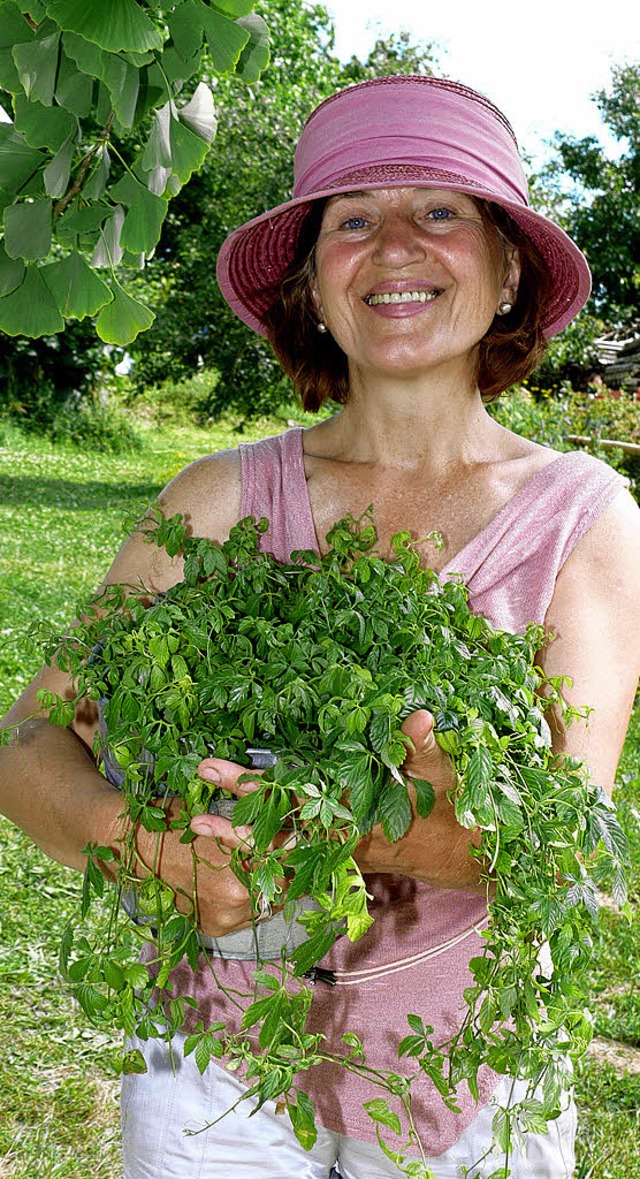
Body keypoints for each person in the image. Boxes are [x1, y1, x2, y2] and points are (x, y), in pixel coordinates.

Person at [2, 75, 640, 1179]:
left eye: (440, 210)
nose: (394, 244)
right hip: (218, 1059)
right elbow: (30, 745)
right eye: (352, 221)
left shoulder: (582, 519)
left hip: (464, 1069)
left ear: (506, 274)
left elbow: (565, 849)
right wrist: (138, 844)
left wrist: (377, 825)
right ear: (313, 283)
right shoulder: (211, 502)